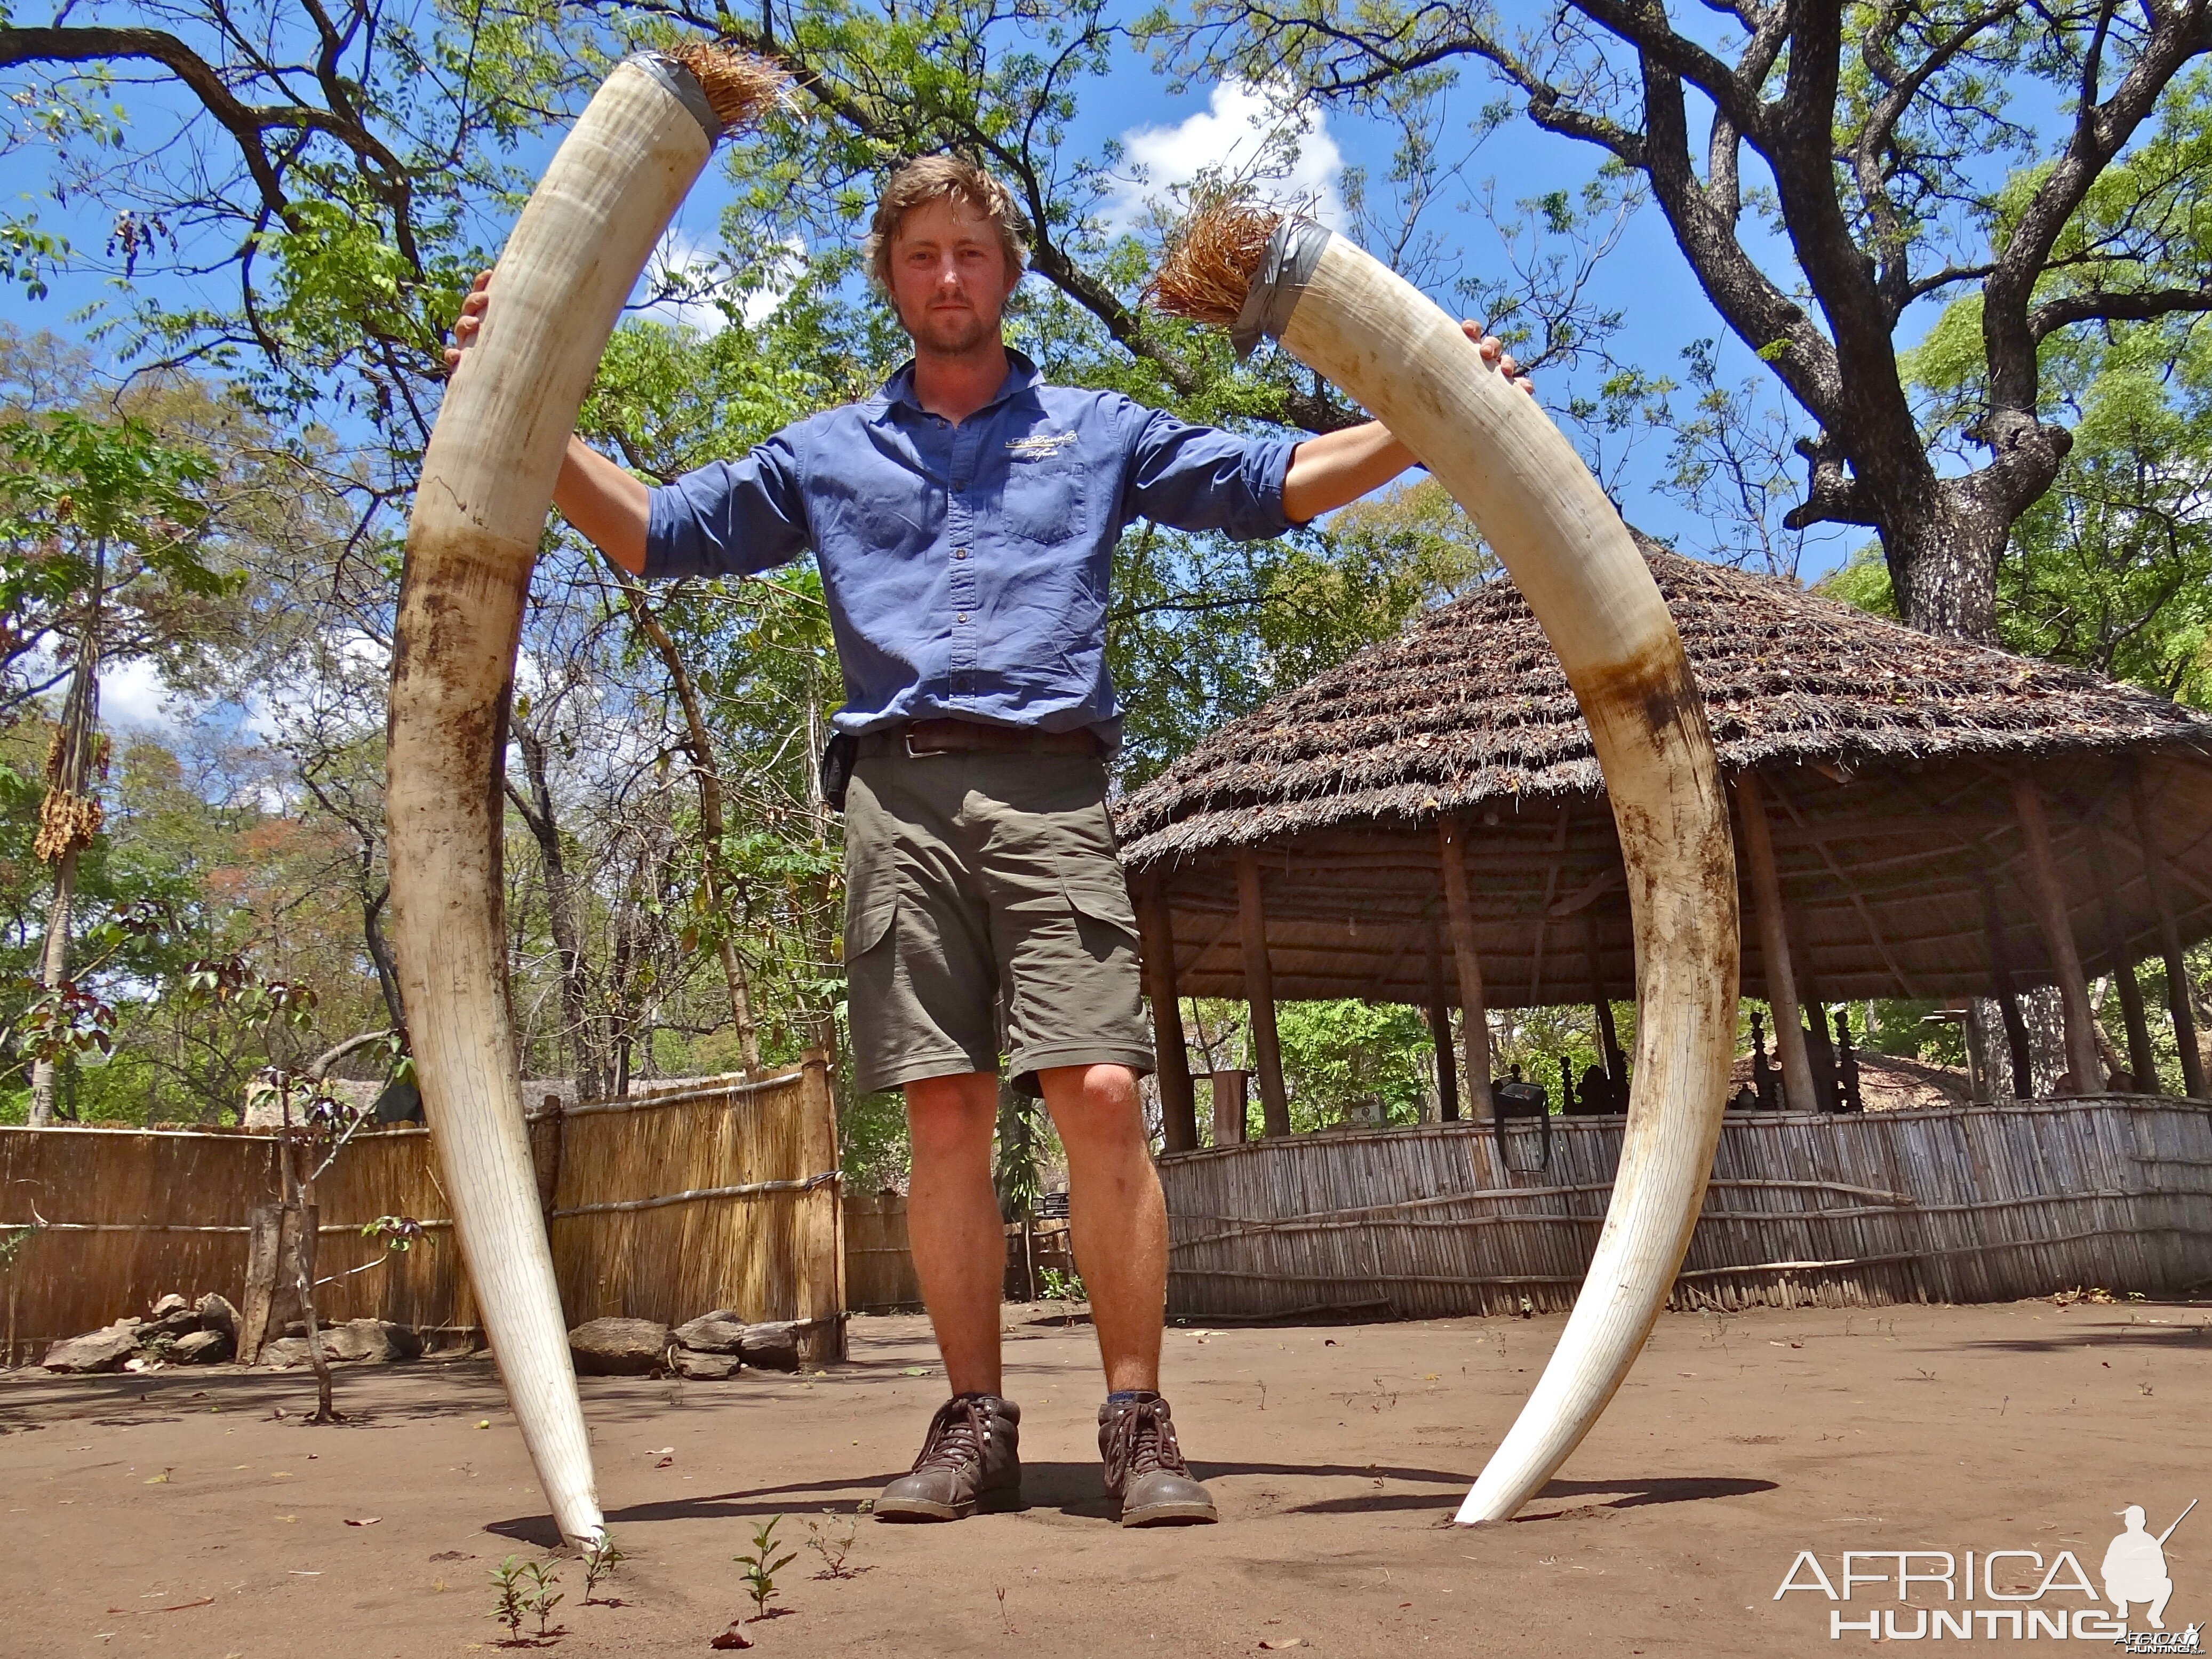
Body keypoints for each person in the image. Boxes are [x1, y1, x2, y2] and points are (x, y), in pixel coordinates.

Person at [448, 155, 1530, 1528]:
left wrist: (1435, 417)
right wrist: (515, 392)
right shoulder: (826, 453)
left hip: (1051, 791)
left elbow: (1274, 484)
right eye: (921, 257)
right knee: (943, 1113)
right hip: (895, 799)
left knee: (1102, 1095)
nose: (947, 277)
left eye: (971, 253)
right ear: (890, 281)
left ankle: (1138, 1421)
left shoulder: (1096, 431)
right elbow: (654, 532)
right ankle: (971, 1425)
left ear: (1008, 274)